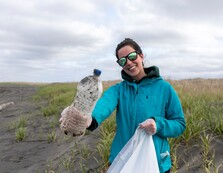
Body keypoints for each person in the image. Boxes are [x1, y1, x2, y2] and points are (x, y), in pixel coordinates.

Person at [62, 38, 186, 173]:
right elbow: (103, 106)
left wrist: (158, 124)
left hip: (156, 162)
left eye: (132, 56)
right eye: (122, 61)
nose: (128, 63)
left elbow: (179, 124)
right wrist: (87, 119)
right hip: (123, 161)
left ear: (141, 55)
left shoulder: (164, 88)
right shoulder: (119, 90)